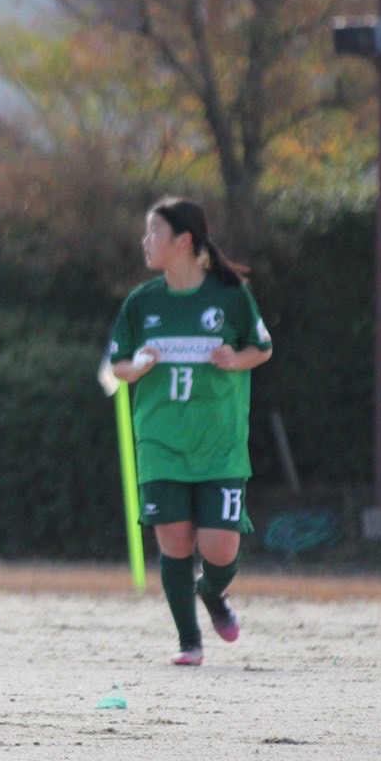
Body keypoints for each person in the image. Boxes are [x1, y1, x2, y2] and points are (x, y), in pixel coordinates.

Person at [106, 197, 273, 667]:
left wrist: (234, 359)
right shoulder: (143, 302)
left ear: (184, 241)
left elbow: (262, 347)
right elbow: (118, 365)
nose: (145, 241)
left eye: (153, 232)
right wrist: (135, 367)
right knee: (175, 544)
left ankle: (213, 593)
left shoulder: (230, 294)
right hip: (161, 443)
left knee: (219, 548)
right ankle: (189, 642)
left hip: (219, 445)